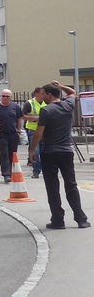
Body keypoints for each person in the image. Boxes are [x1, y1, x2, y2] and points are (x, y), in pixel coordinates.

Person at [28, 81, 89, 230]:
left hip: (49, 152)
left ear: (49, 95)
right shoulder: (68, 105)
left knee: (52, 186)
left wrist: (32, 150)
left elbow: (39, 132)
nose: (41, 96)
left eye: (43, 94)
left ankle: (58, 220)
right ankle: (80, 219)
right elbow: (73, 93)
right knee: (71, 184)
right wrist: (60, 86)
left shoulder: (46, 111)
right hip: (66, 151)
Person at [0, 89, 24, 182]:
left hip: (13, 134)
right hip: (1, 134)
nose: (5, 98)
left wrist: (19, 130)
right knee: (4, 153)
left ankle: (12, 172)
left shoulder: (15, 106)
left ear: (10, 97)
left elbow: (20, 118)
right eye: (3, 96)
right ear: (0, 97)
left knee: (12, 154)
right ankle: (6, 174)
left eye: (7, 96)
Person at [23, 86, 46, 177]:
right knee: (36, 151)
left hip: (45, 130)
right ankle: (36, 171)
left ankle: (45, 170)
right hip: (33, 130)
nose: (43, 95)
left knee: (44, 151)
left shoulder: (46, 102)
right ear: (36, 94)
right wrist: (33, 118)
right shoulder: (29, 103)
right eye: (42, 93)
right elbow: (22, 116)